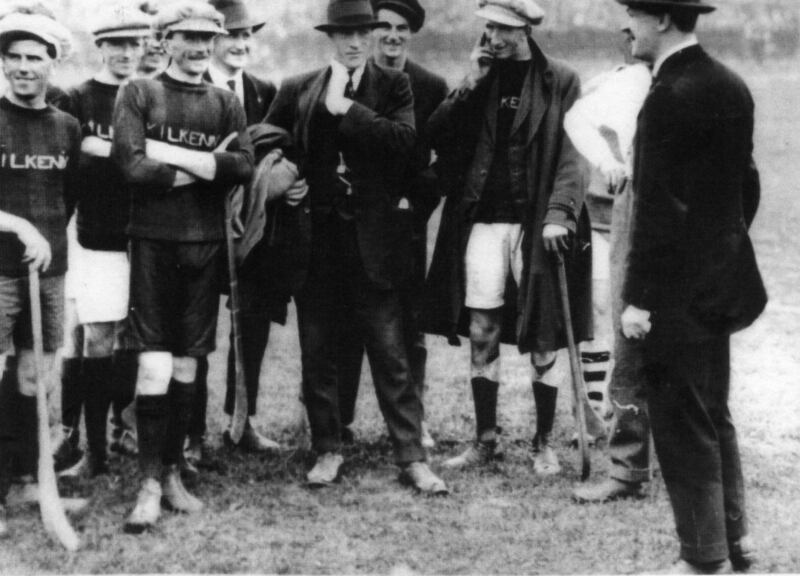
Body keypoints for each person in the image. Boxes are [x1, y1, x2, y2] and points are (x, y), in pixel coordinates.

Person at [265, 0, 447, 495]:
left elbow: (405, 143)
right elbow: (266, 137)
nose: (353, 42)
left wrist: (349, 110)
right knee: (318, 349)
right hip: (316, 242)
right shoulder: (298, 86)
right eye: (344, 34)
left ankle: (412, 456)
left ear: (370, 37)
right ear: (330, 37)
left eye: (362, 33)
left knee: (390, 352)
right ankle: (327, 449)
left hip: (374, 244)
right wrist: (287, 175)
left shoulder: (394, 86)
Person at [616, 0, 766, 572]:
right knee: (713, 411)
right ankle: (737, 542)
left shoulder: (667, 95)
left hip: (675, 294)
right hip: (720, 283)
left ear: (660, 19)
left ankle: (703, 560)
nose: (625, 25)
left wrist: (638, 299)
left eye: (631, 13)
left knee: (681, 420)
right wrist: (718, 251)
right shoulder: (731, 84)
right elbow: (744, 187)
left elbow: (657, 210)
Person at [423, 0, 591, 475]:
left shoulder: (561, 79)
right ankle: (485, 440)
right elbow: (436, 136)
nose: (491, 37)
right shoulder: (481, 77)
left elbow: (574, 154)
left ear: (522, 31)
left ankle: (542, 442)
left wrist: (560, 213)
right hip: (481, 222)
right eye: (488, 27)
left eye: (501, 29)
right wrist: (469, 85)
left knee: (543, 335)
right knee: (482, 329)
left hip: (538, 225)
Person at [112, 1, 254, 533]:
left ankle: (173, 473)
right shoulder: (141, 91)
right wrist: (206, 168)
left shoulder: (224, 101)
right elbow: (129, 164)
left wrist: (171, 157)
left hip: (205, 244)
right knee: (153, 364)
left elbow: (242, 166)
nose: (198, 47)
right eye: (187, 37)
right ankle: (148, 482)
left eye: (206, 37)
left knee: (190, 363)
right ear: (166, 39)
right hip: (152, 242)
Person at [336, 0, 448, 449]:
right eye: (383, 26)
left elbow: (446, 159)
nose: (392, 35)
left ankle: (412, 418)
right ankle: (339, 418)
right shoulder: (350, 81)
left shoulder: (430, 86)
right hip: (355, 222)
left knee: (408, 324)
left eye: (401, 27)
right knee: (346, 319)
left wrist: (415, 202)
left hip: (405, 224)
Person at [50, 3, 151, 479]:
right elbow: (74, 157)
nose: (126, 52)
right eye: (117, 43)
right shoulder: (79, 97)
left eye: (134, 43)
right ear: (101, 47)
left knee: (132, 339)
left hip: (147, 232)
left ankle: (121, 431)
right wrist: (131, 155)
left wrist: (107, 151)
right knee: (91, 337)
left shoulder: (152, 94)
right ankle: (83, 443)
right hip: (94, 235)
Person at [0, 10, 84, 539]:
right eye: (15, 58)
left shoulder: (66, 127)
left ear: (52, 64)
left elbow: (67, 198)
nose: (25, 67)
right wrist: (17, 227)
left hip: (48, 275)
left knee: (35, 377)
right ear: (3, 63)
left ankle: (27, 480)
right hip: (0, 272)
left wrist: (46, 240)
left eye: (36, 58)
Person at [186, 0, 281, 463]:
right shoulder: (190, 90)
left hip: (252, 233)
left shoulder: (265, 90)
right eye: (231, 35)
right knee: (197, 329)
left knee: (253, 323)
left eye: (248, 35)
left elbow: (274, 156)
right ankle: (191, 432)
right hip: (200, 226)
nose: (241, 44)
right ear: (211, 40)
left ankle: (241, 421)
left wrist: (281, 185)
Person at [565, 28, 654, 503]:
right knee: (627, 331)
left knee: (685, 341)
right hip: (632, 213)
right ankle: (628, 466)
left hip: (687, 225)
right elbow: (577, 118)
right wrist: (610, 163)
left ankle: (683, 458)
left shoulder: (701, 82)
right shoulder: (627, 81)